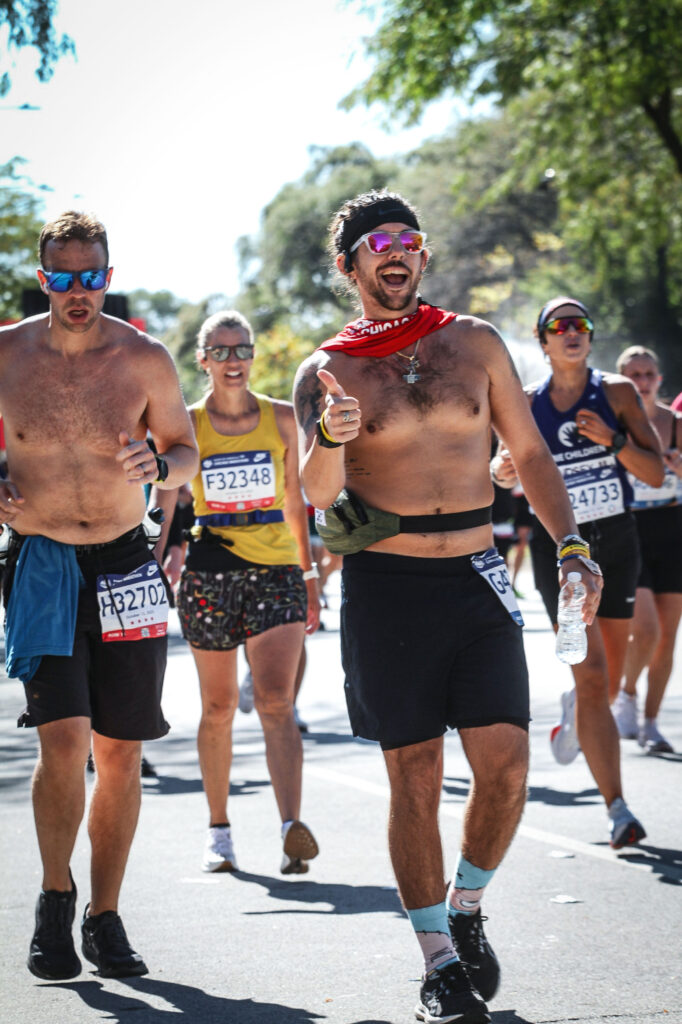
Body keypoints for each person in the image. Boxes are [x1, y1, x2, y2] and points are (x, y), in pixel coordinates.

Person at [293, 190, 601, 1024]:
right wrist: (331, 435)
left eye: (408, 241)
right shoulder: (329, 370)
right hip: (386, 591)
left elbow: (528, 452)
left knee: (506, 768)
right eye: (376, 243)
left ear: (421, 257)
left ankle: (466, 906)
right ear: (350, 264)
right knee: (415, 777)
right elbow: (317, 495)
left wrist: (571, 546)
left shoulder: (474, 343)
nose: (395, 253)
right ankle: (435, 959)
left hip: (477, 577)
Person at [0, 211, 198, 981]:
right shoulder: (8, 353)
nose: (77, 291)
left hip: (125, 565)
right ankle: (55, 900)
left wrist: (159, 464)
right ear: (42, 276)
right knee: (64, 739)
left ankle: (105, 916)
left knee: (122, 752)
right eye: (63, 276)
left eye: (91, 276)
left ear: (107, 278)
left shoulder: (143, 358)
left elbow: (185, 451)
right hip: (44, 562)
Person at [154, 310, 320, 877]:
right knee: (219, 707)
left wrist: (310, 575)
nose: (233, 361)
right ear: (202, 360)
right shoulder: (188, 424)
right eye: (220, 352)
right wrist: (154, 565)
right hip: (209, 575)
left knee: (277, 702)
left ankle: (289, 829)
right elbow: (169, 501)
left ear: (252, 356)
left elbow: (298, 501)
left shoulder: (279, 418)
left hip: (276, 572)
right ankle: (219, 830)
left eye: (241, 349)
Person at [493, 298, 664, 848]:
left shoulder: (615, 393)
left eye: (581, 325)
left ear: (591, 336)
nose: (571, 333)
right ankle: (618, 809)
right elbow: (501, 471)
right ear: (543, 342)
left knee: (606, 682)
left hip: (615, 541)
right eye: (559, 327)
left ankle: (579, 711)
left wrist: (610, 441)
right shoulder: (525, 402)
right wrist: (501, 468)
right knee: (591, 675)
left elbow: (657, 473)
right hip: (561, 553)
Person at [611, 346, 682, 753]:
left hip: (670, 529)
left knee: (667, 638)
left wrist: (674, 466)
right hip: (629, 528)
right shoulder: (613, 422)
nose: (642, 382)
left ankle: (651, 724)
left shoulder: (674, 423)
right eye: (634, 375)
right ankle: (628, 694)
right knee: (647, 628)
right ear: (622, 379)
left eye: (649, 374)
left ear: (659, 378)